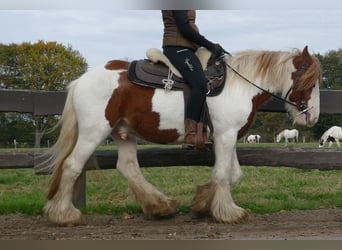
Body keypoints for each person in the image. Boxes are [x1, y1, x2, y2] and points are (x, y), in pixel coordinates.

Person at [161, 10, 225, 150]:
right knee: (200, 84)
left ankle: (203, 129)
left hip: (188, 49)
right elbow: (184, 28)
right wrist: (211, 45)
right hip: (177, 48)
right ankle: (190, 133)